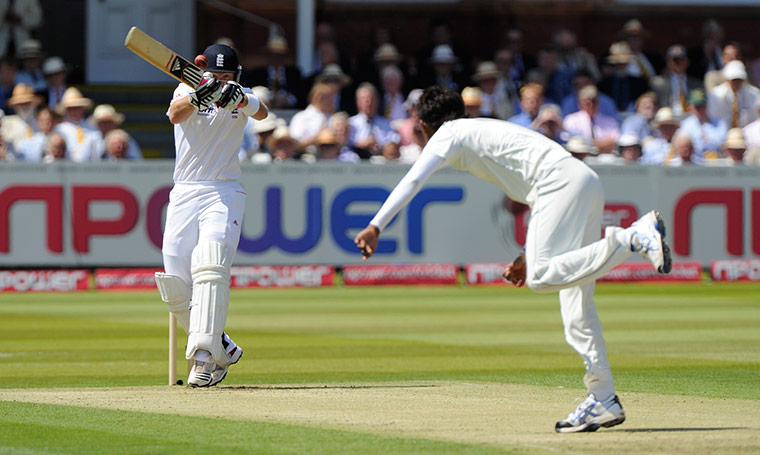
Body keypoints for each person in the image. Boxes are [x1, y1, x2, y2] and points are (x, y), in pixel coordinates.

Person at [353, 86, 672, 433]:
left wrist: (375, 225)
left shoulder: (449, 132)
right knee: (576, 306)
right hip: (579, 182)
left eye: (420, 128)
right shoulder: (478, 129)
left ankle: (630, 237)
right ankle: (603, 398)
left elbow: (413, 178)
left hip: (558, 185)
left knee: (540, 278)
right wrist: (525, 253)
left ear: (427, 124)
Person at [156, 42, 268, 388]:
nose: (219, 81)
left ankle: (205, 359)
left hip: (223, 191)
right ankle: (221, 344)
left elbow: (262, 112)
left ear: (235, 77)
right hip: (185, 189)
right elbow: (174, 115)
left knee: (211, 264)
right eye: (214, 75)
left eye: (225, 76)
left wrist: (241, 98)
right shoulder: (187, 87)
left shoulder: (240, 93)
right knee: (175, 283)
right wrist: (197, 96)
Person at [348, 82, 401, 160]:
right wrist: (362, 144)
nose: (368, 103)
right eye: (364, 99)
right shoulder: (351, 123)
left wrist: (382, 145)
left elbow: (395, 140)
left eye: (371, 99)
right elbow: (345, 144)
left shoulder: (386, 124)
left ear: (377, 101)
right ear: (358, 102)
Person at [650, 45, 703, 119]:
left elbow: (699, 104)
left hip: (690, 117)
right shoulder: (658, 83)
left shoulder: (696, 83)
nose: (678, 63)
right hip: (668, 117)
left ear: (687, 62)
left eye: (681, 60)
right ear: (668, 62)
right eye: (675, 60)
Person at [563, 85, 620, 153]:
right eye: (587, 103)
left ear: (599, 103)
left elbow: (614, 142)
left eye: (594, 102)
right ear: (580, 104)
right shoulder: (571, 120)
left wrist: (585, 143)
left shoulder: (610, 122)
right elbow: (569, 142)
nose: (591, 106)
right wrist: (602, 144)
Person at [707, 60, 760, 128]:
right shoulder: (716, 95)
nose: (736, 83)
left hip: (747, 132)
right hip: (723, 133)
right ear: (727, 80)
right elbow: (713, 117)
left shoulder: (754, 94)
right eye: (733, 80)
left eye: (739, 79)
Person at [678, 89, 727, 161]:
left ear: (707, 106)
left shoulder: (719, 123)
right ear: (690, 107)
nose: (700, 109)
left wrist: (706, 142)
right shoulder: (686, 125)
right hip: (694, 162)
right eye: (697, 107)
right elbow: (684, 145)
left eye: (702, 106)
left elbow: (722, 144)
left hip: (716, 161)